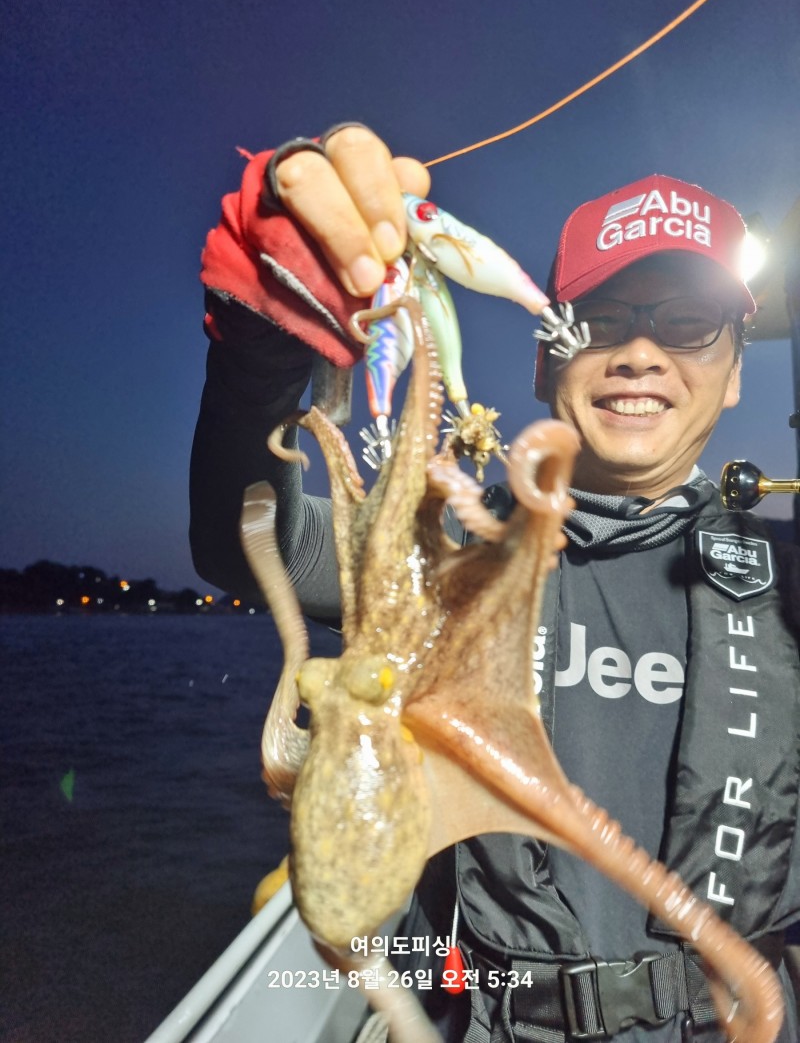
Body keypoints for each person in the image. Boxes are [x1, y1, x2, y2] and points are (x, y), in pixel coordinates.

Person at [190, 125, 800, 1042]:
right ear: (545, 358)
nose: (640, 352)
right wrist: (261, 347)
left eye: (688, 323)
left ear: (737, 370)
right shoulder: (440, 565)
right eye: (599, 319)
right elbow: (241, 540)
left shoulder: (787, 583)